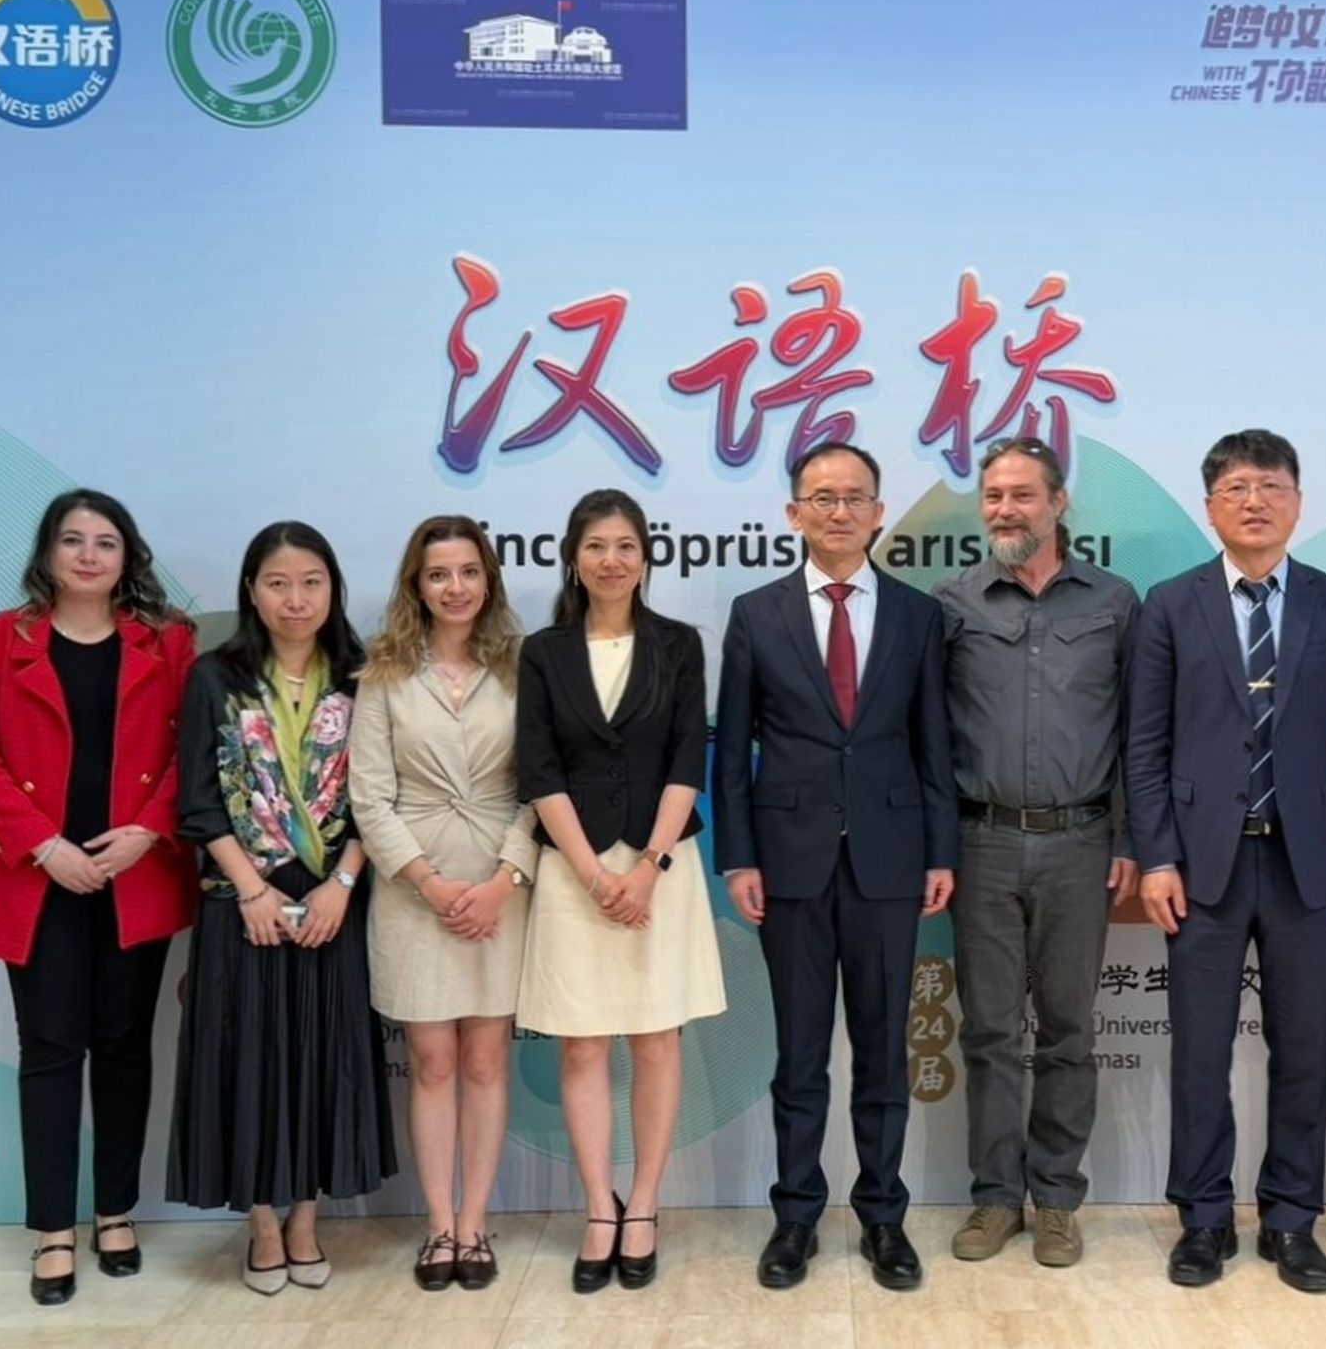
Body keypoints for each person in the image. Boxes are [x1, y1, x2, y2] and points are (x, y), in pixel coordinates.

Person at [1126, 429, 1326, 1294]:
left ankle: (1291, 1218)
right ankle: (1203, 1218)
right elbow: (1144, 745)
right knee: (1200, 1053)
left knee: (1303, 1049)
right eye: (1235, 487)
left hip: (1308, 864)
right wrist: (1156, 856)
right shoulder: (1171, 603)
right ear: (1210, 506)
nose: (1254, 501)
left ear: (1297, 502)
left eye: (1270, 485)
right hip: (1203, 866)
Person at [714, 441, 958, 1292]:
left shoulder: (918, 615)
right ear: (795, 513)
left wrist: (941, 850)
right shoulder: (757, 613)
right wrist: (737, 855)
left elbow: (935, 744)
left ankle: (884, 1215)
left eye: (856, 496)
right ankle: (796, 1215)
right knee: (800, 1054)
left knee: (885, 1052)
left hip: (892, 861)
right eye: (823, 497)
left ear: (879, 512)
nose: (840, 511)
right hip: (789, 864)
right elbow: (732, 748)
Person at [0, 488, 198, 1305]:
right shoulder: (1, 638)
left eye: (106, 541)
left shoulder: (169, 641)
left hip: (136, 872)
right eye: (73, 540)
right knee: (51, 1047)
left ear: (128, 557)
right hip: (38, 876)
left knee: (125, 1043)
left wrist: (147, 830)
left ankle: (115, 1211)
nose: (89, 555)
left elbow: (194, 753)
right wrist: (45, 845)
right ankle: (53, 1226)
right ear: (48, 552)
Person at [167, 522, 397, 1294]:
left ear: (333, 589)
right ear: (252, 591)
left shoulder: (364, 677)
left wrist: (343, 885)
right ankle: (262, 1222)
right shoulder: (216, 677)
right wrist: (252, 889)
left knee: (322, 1059)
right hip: (244, 904)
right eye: (277, 583)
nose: (295, 599)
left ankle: (306, 1218)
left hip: (334, 898)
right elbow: (198, 801)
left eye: (311, 582)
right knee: (249, 1060)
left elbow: (380, 796)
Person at [934, 436, 1140, 1268]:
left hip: (1081, 844)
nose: (1005, 509)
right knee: (988, 1031)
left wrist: (1129, 835)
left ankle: (1055, 1198)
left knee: (1067, 1030)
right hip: (980, 842)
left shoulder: (1115, 601)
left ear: (1059, 503)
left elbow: (1139, 732)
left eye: (1022, 494)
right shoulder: (953, 604)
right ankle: (995, 1197)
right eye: (993, 496)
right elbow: (927, 735)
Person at [514, 489, 727, 1293]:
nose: (612, 560)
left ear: (646, 557)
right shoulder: (543, 652)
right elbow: (540, 770)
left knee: (657, 1039)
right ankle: (597, 1207)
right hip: (575, 874)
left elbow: (687, 759)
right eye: (597, 546)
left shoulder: (678, 644)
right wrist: (595, 873)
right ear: (573, 557)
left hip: (659, 870)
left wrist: (645, 868)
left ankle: (643, 1203)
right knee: (582, 1043)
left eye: (626, 546)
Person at [349, 515, 540, 1291]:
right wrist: (428, 882)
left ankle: (475, 1222)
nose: (454, 587)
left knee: (487, 1060)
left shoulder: (524, 667)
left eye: (468, 571)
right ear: (416, 586)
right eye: (438, 574)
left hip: (501, 885)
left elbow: (542, 786)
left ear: (488, 579)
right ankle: (438, 1225)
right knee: (431, 1062)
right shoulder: (383, 671)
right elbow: (369, 795)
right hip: (411, 891)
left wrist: (503, 880)